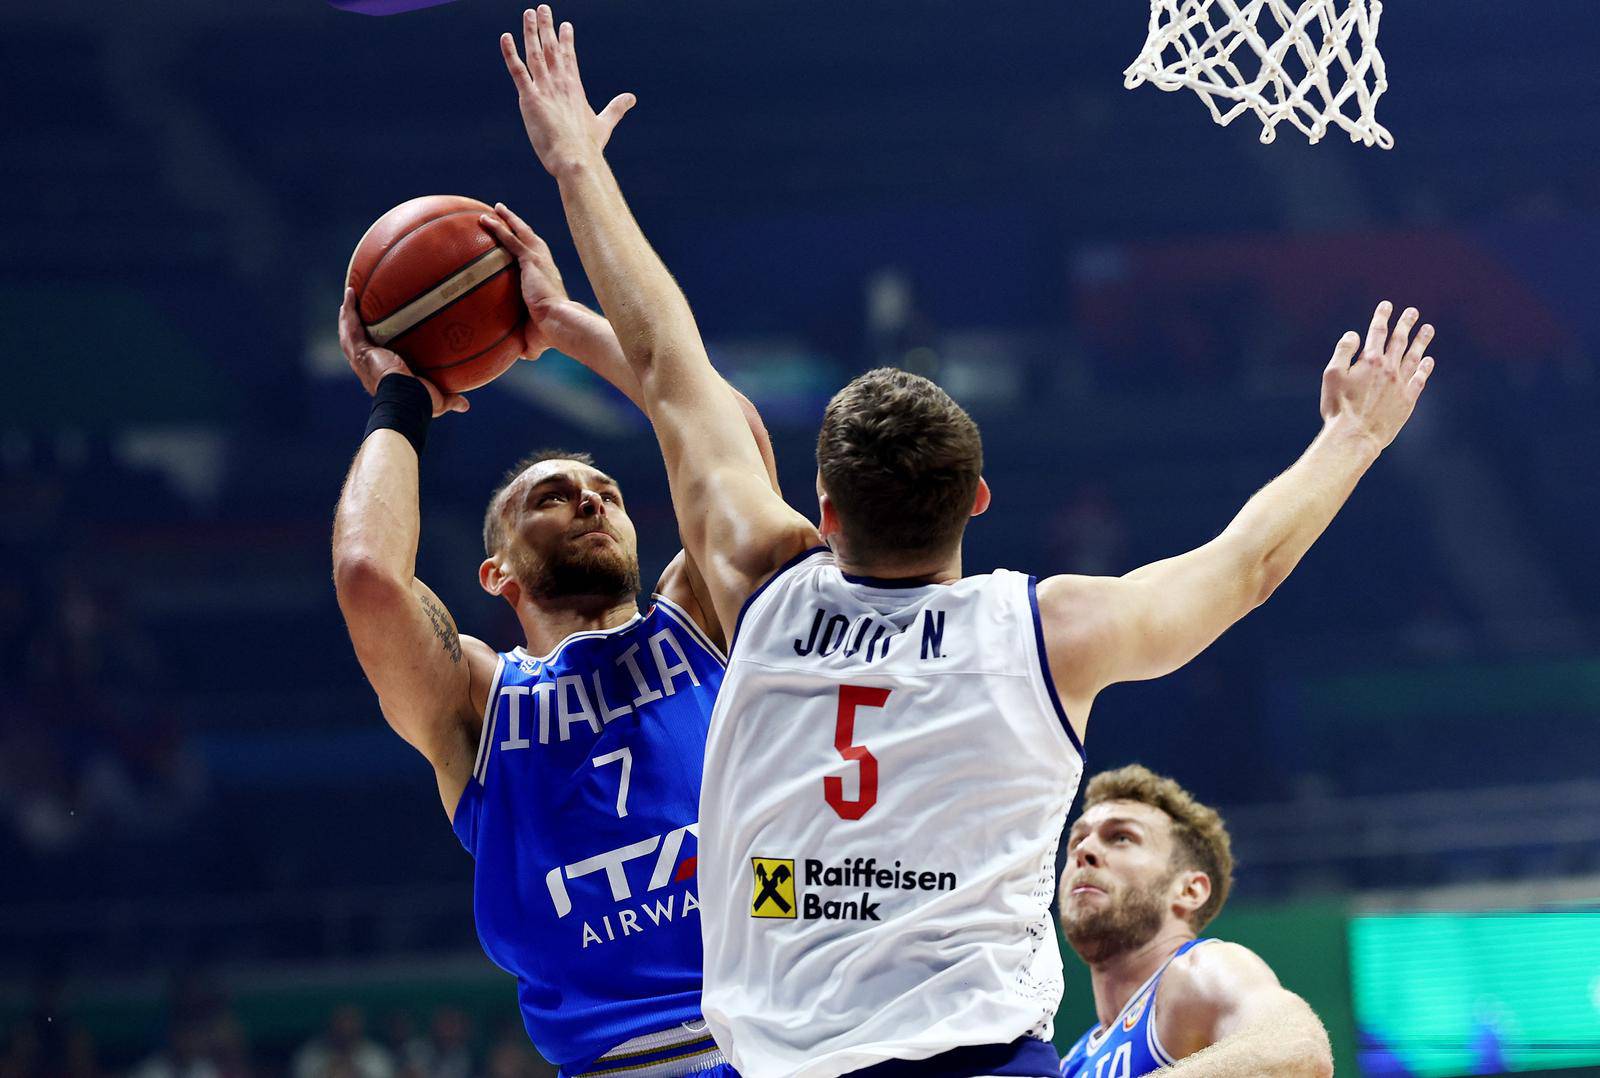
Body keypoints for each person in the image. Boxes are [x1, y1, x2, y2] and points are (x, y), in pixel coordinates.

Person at [496, 7, 1435, 1074]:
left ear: (827, 512)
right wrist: (1351, 435)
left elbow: (670, 365)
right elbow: (1248, 565)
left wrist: (576, 167)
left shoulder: (762, 577)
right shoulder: (1047, 629)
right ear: (978, 500)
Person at [331, 201, 777, 1076]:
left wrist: (561, 325)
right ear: (497, 573)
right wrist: (403, 400)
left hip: (780, 1042)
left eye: (604, 489)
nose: (589, 498)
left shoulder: (702, 624)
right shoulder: (478, 701)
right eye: (551, 495)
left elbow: (736, 447)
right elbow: (368, 578)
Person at [1057, 765, 1332, 1077]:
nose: (1084, 850)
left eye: (1121, 837)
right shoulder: (1072, 1062)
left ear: (1189, 890)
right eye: (1076, 840)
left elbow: (1296, 1051)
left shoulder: (1200, 968)